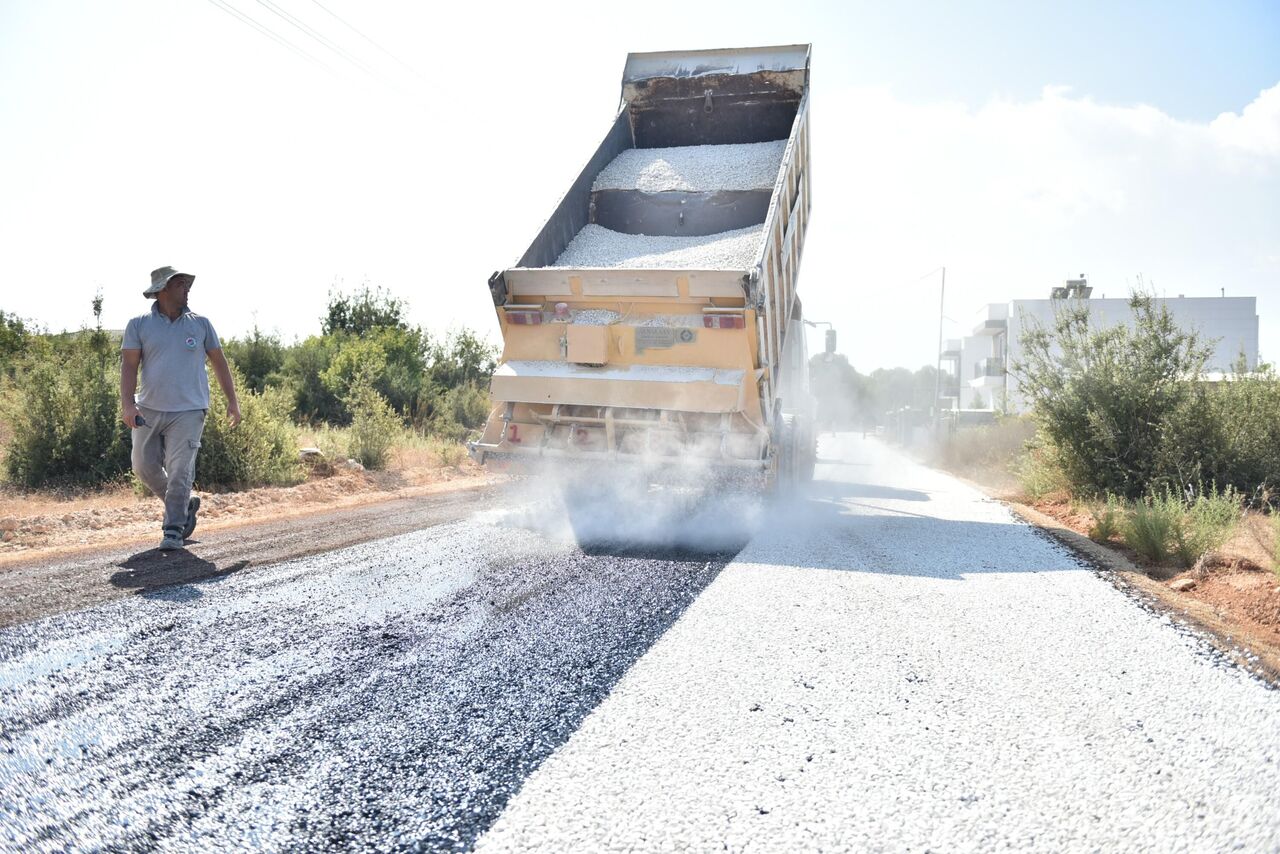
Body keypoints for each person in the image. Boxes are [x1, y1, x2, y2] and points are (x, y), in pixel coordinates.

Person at [120, 266, 241, 551]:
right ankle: (184, 505)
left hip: (190, 410)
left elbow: (219, 364)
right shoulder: (138, 324)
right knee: (142, 466)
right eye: (181, 285)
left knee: (179, 471)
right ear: (163, 289)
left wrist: (232, 402)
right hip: (147, 409)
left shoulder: (201, 324)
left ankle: (173, 529)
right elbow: (129, 366)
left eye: (188, 284)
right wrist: (127, 404)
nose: (187, 289)